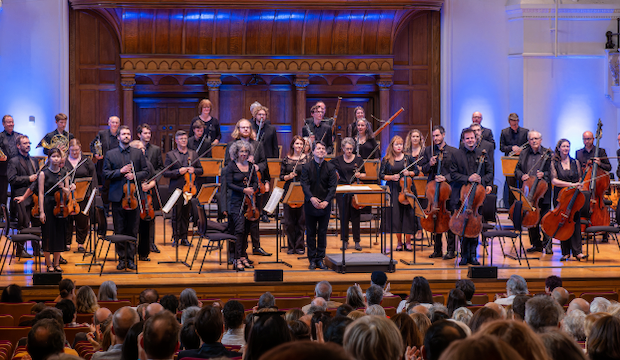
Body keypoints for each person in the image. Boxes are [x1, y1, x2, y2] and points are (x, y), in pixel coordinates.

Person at [103, 125, 149, 271]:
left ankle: (131, 259)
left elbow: (146, 171)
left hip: (134, 198)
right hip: (118, 198)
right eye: (123, 134)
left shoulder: (137, 153)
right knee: (119, 229)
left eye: (128, 134)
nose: (126, 136)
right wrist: (120, 172)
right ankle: (121, 259)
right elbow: (105, 173)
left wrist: (135, 176)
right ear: (118, 137)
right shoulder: (110, 154)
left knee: (132, 230)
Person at [224, 119, 271, 257]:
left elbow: (264, 163)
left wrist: (255, 166)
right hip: (238, 189)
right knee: (237, 226)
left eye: (248, 127)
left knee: (254, 218)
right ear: (238, 129)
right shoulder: (231, 145)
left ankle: (256, 247)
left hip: (253, 187)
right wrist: (240, 162)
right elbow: (227, 165)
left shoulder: (258, 144)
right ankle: (235, 254)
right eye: (242, 127)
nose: (245, 130)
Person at [450, 127, 493, 266]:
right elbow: (453, 174)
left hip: (477, 198)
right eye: (467, 138)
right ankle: (464, 255)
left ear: (476, 139)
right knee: (462, 226)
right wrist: (468, 178)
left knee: (474, 226)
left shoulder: (483, 153)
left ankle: (473, 255)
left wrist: (482, 180)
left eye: (472, 138)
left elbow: (489, 173)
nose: (470, 140)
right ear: (463, 140)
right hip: (462, 196)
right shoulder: (456, 154)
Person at [420, 125, 459, 259]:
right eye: (434, 136)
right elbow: (423, 169)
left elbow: (456, 173)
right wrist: (429, 164)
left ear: (443, 135)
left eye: (437, 135)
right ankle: (437, 250)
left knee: (448, 220)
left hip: (448, 192)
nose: (435, 138)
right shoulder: (428, 150)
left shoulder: (453, 152)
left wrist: (446, 178)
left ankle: (451, 250)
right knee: (435, 219)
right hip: (433, 191)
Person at [163, 130, 204, 247]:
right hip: (176, 189)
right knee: (176, 214)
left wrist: (194, 170)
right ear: (176, 141)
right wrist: (177, 171)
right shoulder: (171, 155)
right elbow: (165, 173)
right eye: (181, 139)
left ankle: (184, 238)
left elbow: (201, 170)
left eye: (185, 139)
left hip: (189, 189)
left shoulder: (193, 154)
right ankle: (175, 238)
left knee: (186, 214)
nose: (184, 141)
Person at [301, 141, 337, 270]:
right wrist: (311, 198)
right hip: (310, 204)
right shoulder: (306, 167)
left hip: (325, 205)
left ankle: (320, 258)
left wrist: (327, 201)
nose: (320, 151)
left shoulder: (330, 167)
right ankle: (312, 259)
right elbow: (304, 185)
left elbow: (333, 186)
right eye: (318, 149)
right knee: (310, 232)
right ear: (313, 151)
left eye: (323, 149)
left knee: (322, 232)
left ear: (325, 152)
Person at [514, 130, 552, 254]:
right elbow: (517, 170)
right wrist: (522, 176)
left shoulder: (548, 153)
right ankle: (536, 244)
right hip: (529, 191)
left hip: (542, 192)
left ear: (541, 140)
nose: (534, 141)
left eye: (536, 138)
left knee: (545, 219)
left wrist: (544, 174)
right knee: (531, 218)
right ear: (528, 141)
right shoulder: (524, 153)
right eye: (531, 139)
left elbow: (552, 172)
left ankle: (548, 245)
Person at [549, 139, 587, 261]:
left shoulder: (575, 162)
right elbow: (554, 180)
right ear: (559, 148)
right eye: (563, 146)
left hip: (574, 196)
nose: (566, 148)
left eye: (568, 146)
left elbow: (580, 178)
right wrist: (571, 184)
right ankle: (565, 252)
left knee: (575, 221)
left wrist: (579, 184)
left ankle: (578, 251)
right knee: (563, 222)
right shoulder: (554, 163)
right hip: (561, 197)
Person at [379, 135, 418, 251]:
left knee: (408, 215)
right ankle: (399, 242)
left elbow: (415, 171)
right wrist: (391, 177)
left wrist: (409, 173)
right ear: (392, 146)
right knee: (396, 216)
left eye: (401, 144)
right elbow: (381, 175)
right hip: (394, 189)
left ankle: (408, 242)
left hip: (407, 188)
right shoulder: (386, 159)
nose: (399, 146)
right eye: (397, 144)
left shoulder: (408, 157)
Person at [226, 140, 259, 272]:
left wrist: (252, 189)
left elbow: (256, 181)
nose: (244, 154)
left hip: (249, 203)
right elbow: (229, 184)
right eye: (241, 151)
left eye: (246, 151)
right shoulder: (231, 166)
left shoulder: (251, 166)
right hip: (236, 202)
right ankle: (236, 258)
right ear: (236, 152)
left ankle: (244, 255)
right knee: (239, 231)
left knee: (246, 231)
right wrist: (243, 190)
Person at [39, 148, 73, 272]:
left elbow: (68, 191)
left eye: (58, 156)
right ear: (49, 158)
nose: (56, 159)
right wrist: (42, 212)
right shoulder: (44, 173)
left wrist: (63, 187)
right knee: (48, 234)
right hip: (48, 205)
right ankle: (49, 264)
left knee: (59, 234)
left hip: (61, 206)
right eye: (53, 156)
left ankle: (57, 263)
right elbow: (41, 193)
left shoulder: (65, 172)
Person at [8, 134, 41, 257]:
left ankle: (37, 249)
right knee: (23, 224)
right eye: (25, 143)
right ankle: (20, 251)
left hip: (34, 197)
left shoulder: (34, 160)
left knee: (36, 223)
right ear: (18, 146)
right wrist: (28, 178)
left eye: (29, 143)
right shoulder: (13, 161)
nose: (28, 145)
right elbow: (12, 179)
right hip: (21, 197)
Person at [64, 139, 98, 253]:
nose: (75, 152)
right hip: (67, 196)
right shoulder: (63, 161)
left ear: (80, 148)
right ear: (68, 149)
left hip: (83, 196)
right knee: (67, 220)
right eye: (72, 150)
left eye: (77, 150)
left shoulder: (87, 162)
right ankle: (67, 243)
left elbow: (93, 178)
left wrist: (92, 194)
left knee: (82, 220)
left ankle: (80, 244)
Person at [334, 137, 366, 251]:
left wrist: (360, 175)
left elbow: (364, 174)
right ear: (342, 148)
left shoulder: (358, 160)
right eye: (347, 148)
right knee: (344, 216)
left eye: (351, 149)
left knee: (355, 216)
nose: (349, 151)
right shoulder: (337, 159)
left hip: (354, 190)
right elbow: (328, 168)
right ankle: (344, 240)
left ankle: (357, 241)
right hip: (342, 190)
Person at [129, 140, 156, 261]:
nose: (143, 150)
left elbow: (153, 179)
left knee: (145, 226)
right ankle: (130, 252)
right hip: (132, 197)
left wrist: (149, 185)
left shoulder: (148, 163)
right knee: (132, 227)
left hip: (145, 199)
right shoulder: (129, 163)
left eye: (143, 148)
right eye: (140, 148)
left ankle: (144, 253)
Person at [280, 136, 308, 254]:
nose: (299, 146)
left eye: (301, 144)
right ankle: (291, 246)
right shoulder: (286, 160)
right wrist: (288, 177)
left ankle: (300, 246)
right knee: (289, 221)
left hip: (302, 191)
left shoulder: (307, 159)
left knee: (301, 221)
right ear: (292, 145)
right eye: (297, 144)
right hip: (289, 191)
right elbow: (281, 176)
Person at [251, 105, 278, 222]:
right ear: (255, 115)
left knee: (266, 187)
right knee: (254, 186)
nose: (262, 116)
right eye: (260, 114)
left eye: (264, 115)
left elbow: (275, 147)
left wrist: (275, 161)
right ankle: (254, 210)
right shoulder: (251, 128)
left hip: (267, 161)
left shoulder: (271, 129)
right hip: (254, 161)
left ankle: (264, 212)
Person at [499, 113, 529, 207]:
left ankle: (522, 207)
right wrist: (512, 148)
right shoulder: (504, 132)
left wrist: (521, 151)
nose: (514, 127)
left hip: (522, 161)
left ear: (518, 121)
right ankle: (510, 209)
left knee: (522, 185)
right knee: (510, 186)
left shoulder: (525, 132)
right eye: (512, 125)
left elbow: (528, 146)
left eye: (516, 124)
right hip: (510, 162)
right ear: (509, 122)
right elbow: (502, 147)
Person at [90, 116, 121, 202]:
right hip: (105, 164)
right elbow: (92, 144)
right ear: (109, 123)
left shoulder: (121, 134)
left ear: (119, 124)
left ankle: (116, 207)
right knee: (105, 187)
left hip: (118, 165)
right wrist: (96, 154)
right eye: (113, 122)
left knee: (117, 187)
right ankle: (105, 210)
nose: (114, 124)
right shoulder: (102, 133)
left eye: (116, 122)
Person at [0, 115, 22, 211]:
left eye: (12, 122)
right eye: (8, 122)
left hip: (15, 169)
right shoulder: (0, 136)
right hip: (3, 169)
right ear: (3, 124)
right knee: (2, 194)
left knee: (16, 192)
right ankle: (1, 216)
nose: (11, 124)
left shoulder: (18, 136)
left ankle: (14, 215)